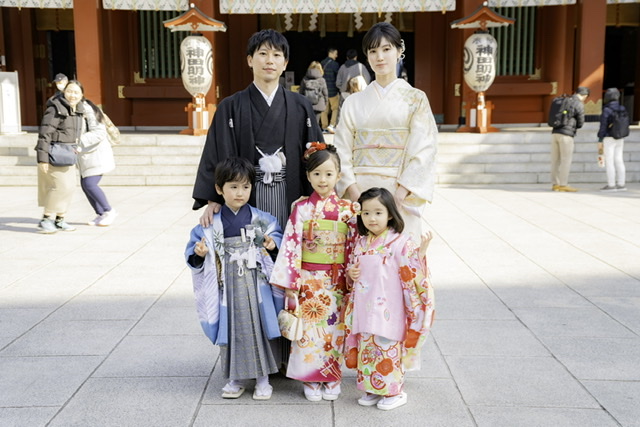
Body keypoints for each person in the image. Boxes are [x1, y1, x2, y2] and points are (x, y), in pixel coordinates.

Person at [192, 29, 324, 231]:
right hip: (244, 194)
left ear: (285, 63)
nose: (269, 60)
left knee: (287, 254)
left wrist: (318, 194)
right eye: (263, 53)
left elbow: (316, 155)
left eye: (277, 55)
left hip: (291, 195)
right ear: (250, 60)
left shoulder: (301, 105)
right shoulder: (230, 106)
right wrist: (213, 198)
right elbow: (215, 154)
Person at [185, 157, 283, 401]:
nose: (240, 193)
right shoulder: (211, 223)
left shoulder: (262, 219)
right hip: (226, 285)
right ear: (219, 189)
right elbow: (193, 250)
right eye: (233, 187)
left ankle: (263, 379)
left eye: (246, 187)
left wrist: (272, 244)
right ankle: (235, 378)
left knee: (258, 329)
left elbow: (277, 241)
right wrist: (200, 253)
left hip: (255, 284)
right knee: (232, 330)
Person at [270, 143, 359, 402]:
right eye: (317, 173)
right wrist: (291, 283)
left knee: (334, 330)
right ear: (308, 176)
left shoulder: (347, 210)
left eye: (329, 174)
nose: (323, 179)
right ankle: (310, 378)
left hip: (336, 280)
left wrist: (352, 273)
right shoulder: (301, 209)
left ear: (339, 176)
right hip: (308, 281)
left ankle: (331, 376)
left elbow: (354, 244)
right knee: (309, 331)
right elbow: (291, 245)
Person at [333, 22, 438, 242]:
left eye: (386, 49)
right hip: (360, 191)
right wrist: (353, 192)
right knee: (362, 263)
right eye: (373, 51)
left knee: (401, 262)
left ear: (399, 51)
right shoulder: (353, 102)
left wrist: (400, 195)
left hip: (400, 190)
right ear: (367, 56)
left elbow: (424, 148)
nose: (379, 57)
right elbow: (341, 149)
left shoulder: (415, 99)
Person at [344, 187, 434, 411]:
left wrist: (421, 253)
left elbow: (412, 270)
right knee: (368, 346)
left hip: (389, 306)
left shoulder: (400, 242)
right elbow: (353, 269)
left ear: (390, 214)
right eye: (366, 213)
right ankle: (373, 388)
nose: (371, 218)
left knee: (386, 346)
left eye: (377, 212)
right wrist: (351, 274)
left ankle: (394, 391)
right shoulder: (361, 243)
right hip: (365, 305)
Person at [34, 79, 87, 234]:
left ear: (82, 95)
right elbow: (45, 134)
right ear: (64, 92)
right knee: (60, 187)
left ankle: (60, 220)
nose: (72, 95)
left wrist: (76, 146)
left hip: (68, 153)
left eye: (76, 92)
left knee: (69, 188)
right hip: (54, 153)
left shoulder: (78, 109)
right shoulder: (55, 108)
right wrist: (42, 158)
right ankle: (45, 219)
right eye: (69, 91)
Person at [77, 98, 118, 226]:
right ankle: (100, 214)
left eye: (75, 92)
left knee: (90, 184)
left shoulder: (87, 109)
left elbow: (99, 132)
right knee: (85, 185)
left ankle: (109, 211)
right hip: (85, 154)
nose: (71, 95)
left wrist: (76, 140)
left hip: (97, 153)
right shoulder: (73, 109)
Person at [550, 86, 589, 192]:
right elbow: (581, 122)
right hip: (566, 135)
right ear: (585, 96)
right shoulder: (578, 103)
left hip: (555, 133)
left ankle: (555, 184)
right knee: (565, 160)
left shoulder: (562, 100)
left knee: (555, 160)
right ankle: (563, 185)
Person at [597, 88, 627, 192]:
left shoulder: (607, 109)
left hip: (609, 137)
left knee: (609, 161)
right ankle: (621, 184)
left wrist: (600, 138)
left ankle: (611, 185)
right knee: (619, 160)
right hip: (620, 137)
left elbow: (603, 125)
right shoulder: (622, 108)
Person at [298, 61, 329, 128]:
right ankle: (315, 136)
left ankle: (308, 136)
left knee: (307, 123)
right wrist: (326, 103)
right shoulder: (322, 80)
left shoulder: (305, 79)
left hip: (307, 104)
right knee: (316, 123)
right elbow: (325, 93)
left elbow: (301, 92)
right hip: (319, 104)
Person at [320, 48, 340, 134]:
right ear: (331, 53)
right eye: (335, 53)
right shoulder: (335, 65)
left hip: (323, 91)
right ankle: (332, 126)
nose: (336, 56)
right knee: (335, 109)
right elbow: (338, 79)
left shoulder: (322, 63)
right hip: (333, 91)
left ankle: (324, 127)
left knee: (324, 110)